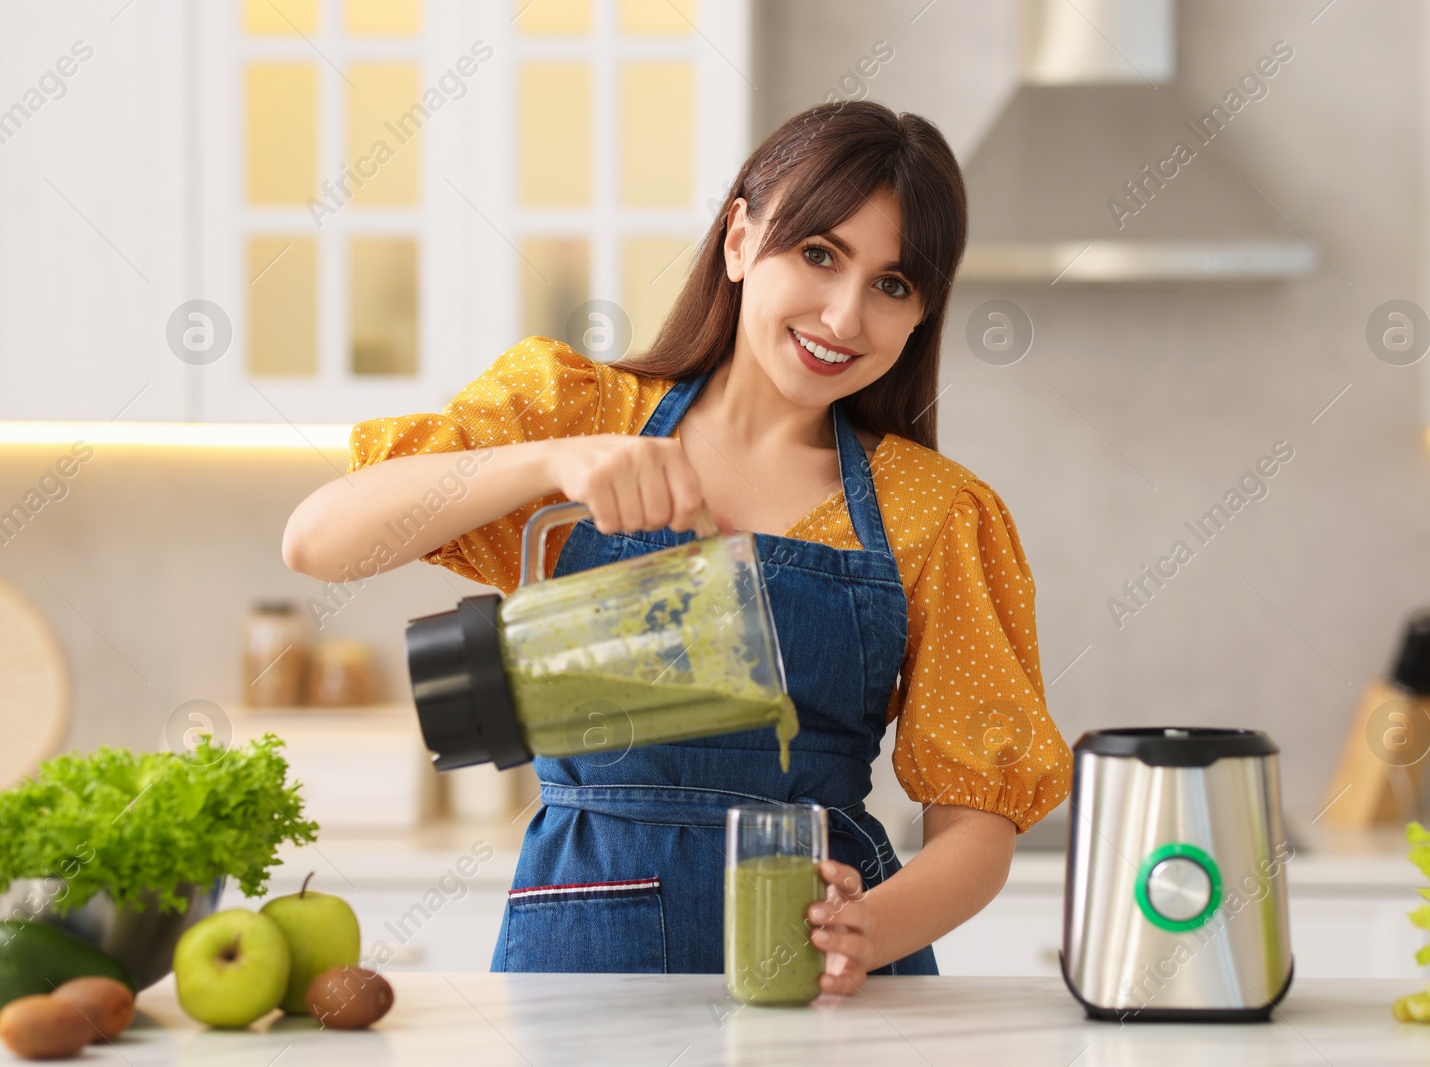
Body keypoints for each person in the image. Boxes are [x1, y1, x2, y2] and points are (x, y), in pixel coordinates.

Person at [283, 100, 1070, 993]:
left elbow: (980, 822)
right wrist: (550, 459)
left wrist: (871, 927)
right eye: (820, 254)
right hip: (585, 949)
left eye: (892, 285)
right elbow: (319, 541)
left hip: (820, 967)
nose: (845, 316)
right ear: (739, 239)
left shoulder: (937, 511)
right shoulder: (578, 412)